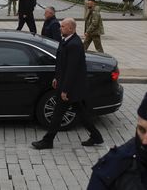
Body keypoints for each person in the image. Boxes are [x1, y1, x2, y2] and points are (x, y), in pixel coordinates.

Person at [32, 18, 103, 149]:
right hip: (66, 85)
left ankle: (48, 141)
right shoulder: (66, 41)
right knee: (80, 113)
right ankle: (96, 136)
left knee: (57, 114)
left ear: (71, 28)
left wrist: (65, 90)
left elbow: (72, 70)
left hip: (70, 88)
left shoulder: (74, 45)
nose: (60, 28)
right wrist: (56, 78)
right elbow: (61, 63)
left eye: (63, 26)